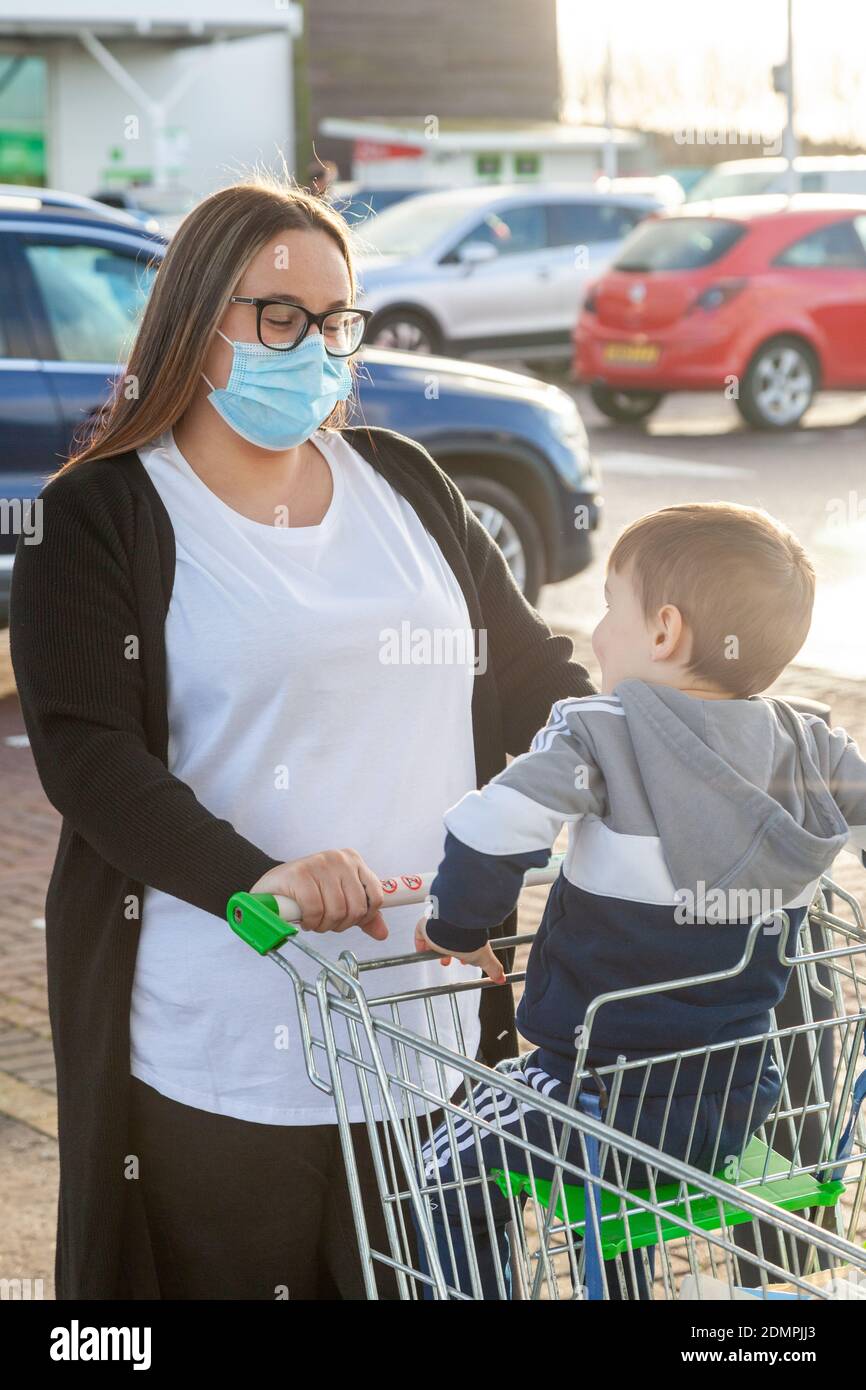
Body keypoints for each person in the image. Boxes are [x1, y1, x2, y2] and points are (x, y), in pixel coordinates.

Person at [9, 174, 595, 1300]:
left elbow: (533, 678)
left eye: (336, 320)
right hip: (226, 1047)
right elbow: (89, 762)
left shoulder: (403, 484)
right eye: (280, 315)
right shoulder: (102, 518)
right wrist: (258, 878)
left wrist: (657, 741)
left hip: (426, 1030)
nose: (315, 344)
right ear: (196, 319)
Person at [415, 502, 866, 1298]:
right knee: (618, 1201)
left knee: (436, 1170)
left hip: (591, 1093)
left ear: (662, 630)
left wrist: (454, 926)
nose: (597, 631)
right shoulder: (810, 742)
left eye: (608, 605)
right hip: (735, 1096)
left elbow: (494, 828)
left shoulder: (599, 732)